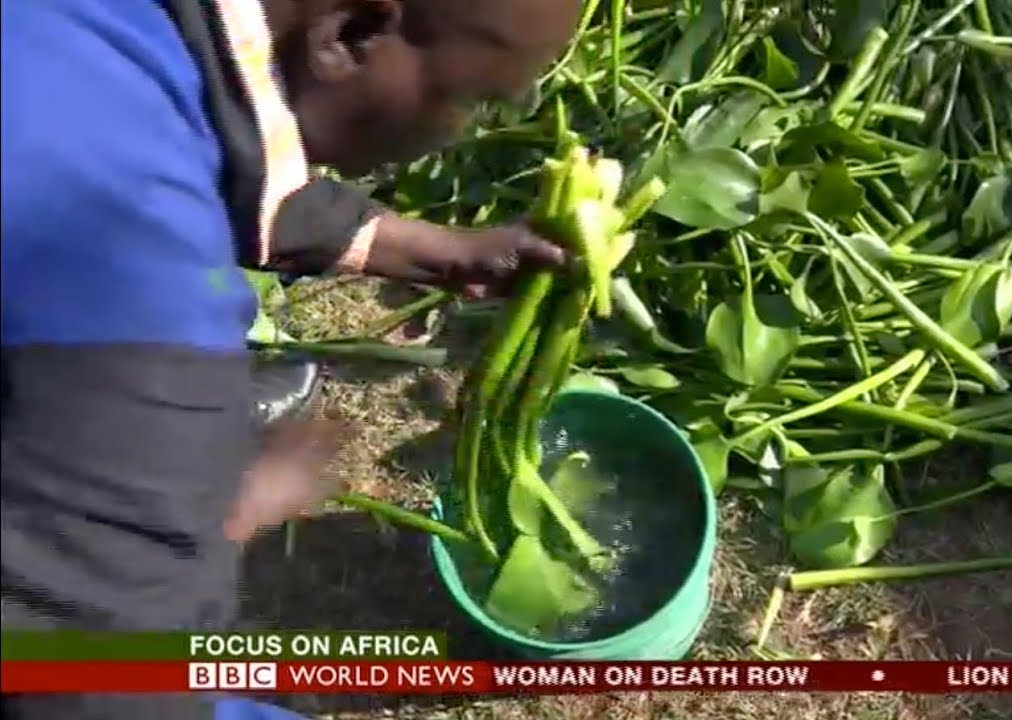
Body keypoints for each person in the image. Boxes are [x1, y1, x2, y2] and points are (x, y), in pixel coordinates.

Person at [1, 0, 579, 718]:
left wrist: (430, 249)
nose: (458, 131)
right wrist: (212, 512)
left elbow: (211, 120)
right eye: (468, 100)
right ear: (351, 34)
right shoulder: (141, 295)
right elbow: (99, 684)